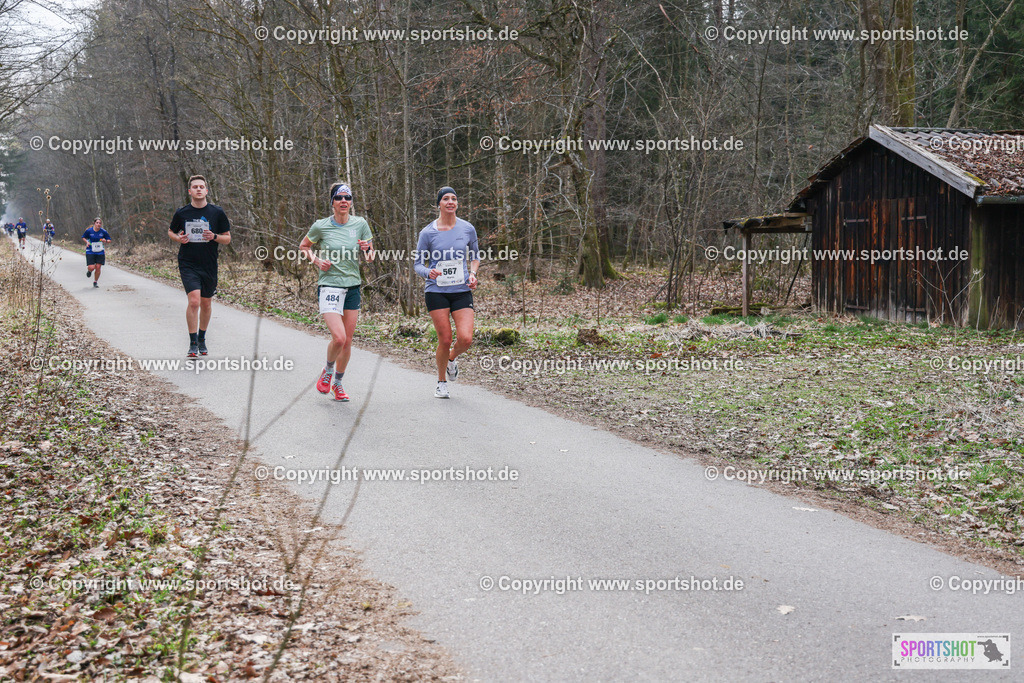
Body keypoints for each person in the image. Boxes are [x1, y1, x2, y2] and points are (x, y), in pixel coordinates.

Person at [299, 182, 374, 402]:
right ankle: (328, 370)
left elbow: (370, 258)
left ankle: (338, 384)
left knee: (348, 341)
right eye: (339, 198)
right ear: (332, 202)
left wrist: (367, 250)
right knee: (339, 338)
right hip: (329, 285)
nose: (344, 201)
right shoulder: (321, 226)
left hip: (352, 286)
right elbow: (304, 246)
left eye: (347, 198)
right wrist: (317, 260)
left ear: (351, 202)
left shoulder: (360, 224)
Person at [413, 187, 479, 399]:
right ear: (439, 204)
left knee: (466, 339)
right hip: (437, 291)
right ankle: (441, 382)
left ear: (457, 204)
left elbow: (475, 257)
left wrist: (473, 274)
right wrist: (428, 272)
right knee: (444, 338)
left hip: (461, 290)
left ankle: (451, 360)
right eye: (445, 199)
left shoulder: (467, 228)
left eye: (454, 198)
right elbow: (417, 264)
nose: (450, 202)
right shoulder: (427, 232)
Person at [168, 175, 231, 358]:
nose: (198, 189)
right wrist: (179, 238)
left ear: (206, 190)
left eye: (201, 186)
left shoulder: (217, 212)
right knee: (194, 301)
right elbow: (171, 231)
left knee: (206, 302)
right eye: (194, 187)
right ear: (190, 191)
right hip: (188, 262)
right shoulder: (182, 213)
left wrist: (214, 237)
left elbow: (227, 238)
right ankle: (193, 342)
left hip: (209, 263)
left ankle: (202, 337)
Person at [82, 217, 111, 288]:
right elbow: (83, 237)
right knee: (92, 267)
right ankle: (89, 271)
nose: (98, 224)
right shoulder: (89, 231)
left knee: (98, 267)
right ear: (94, 223)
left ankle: (95, 282)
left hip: (100, 251)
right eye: (97, 223)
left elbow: (109, 240)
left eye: (100, 223)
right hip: (90, 251)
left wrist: (105, 241)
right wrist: (87, 242)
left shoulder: (103, 231)